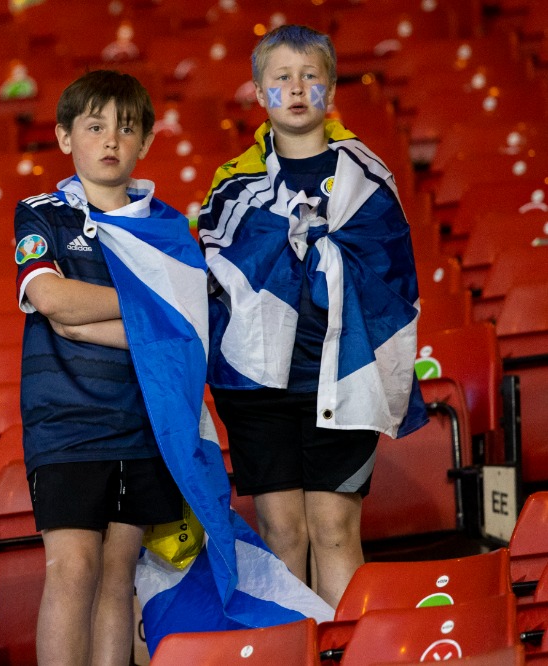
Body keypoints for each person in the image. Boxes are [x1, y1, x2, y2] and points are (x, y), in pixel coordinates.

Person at [197, 25, 427, 608]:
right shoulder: (232, 185)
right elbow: (216, 276)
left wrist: (320, 245)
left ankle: (343, 649)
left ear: (329, 90)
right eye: (282, 79)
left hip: (342, 377)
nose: (296, 90)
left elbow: (392, 278)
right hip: (259, 388)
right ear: (259, 93)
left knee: (334, 531)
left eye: (310, 77)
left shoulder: (367, 177)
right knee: (283, 534)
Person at [14, 69, 186, 666]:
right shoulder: (42, 214)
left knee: (119, 573)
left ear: (145, 142)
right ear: (65, 138)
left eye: (127, 127)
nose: (111, 139)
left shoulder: (166, 228)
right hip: (67, 425)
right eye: (94, 126)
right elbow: (55, 304)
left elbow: (183, 330)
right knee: (74, 568)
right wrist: (150, 303)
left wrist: (116, 319)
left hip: (145, 423)